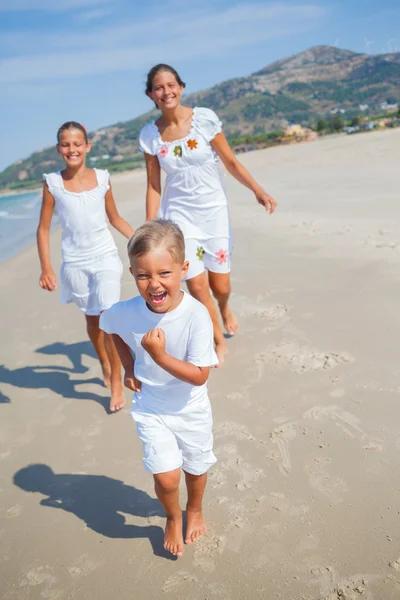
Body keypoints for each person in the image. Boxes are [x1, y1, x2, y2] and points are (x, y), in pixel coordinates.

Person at [139, 64, 277, 365]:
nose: (167, 92)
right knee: (197, 285)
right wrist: (150, 226)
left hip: (213, 214)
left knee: (220, 286)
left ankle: (225, 306)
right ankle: (217, 340)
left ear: (181, 87)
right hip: (179, 219)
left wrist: (258, 189)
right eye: (159, 88)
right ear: (151, 95)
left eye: (171, 85)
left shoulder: (204, 119)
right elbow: (153, 185)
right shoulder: (150, 136)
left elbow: (230, 162)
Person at [100, 219, 218, 558]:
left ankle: (193, 509)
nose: (154, 284)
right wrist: (129, 365)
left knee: (195, 469)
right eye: (143, 275)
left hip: (190, 407)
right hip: (151, 406)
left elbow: (199, 375)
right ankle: (171, 516)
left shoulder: (196, 316)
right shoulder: (127, 311)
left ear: (183, 269)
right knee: (166, 478)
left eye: (164, 273)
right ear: (132, 272)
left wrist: (158, 355)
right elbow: (112, 328)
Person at [37, 121, 134, 413]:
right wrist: (47, 268)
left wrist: (141, 238)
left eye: (77, 143)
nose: (72, 149)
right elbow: (43, 229)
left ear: (88, 146)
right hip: (75, 263)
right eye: (66, 144)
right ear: (58, 149)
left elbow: (115, 218)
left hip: (104, 256)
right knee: (93, 323)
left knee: (110, 318)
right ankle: (104, 361)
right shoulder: (53, 183)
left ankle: (116, 380)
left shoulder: (103, 178)